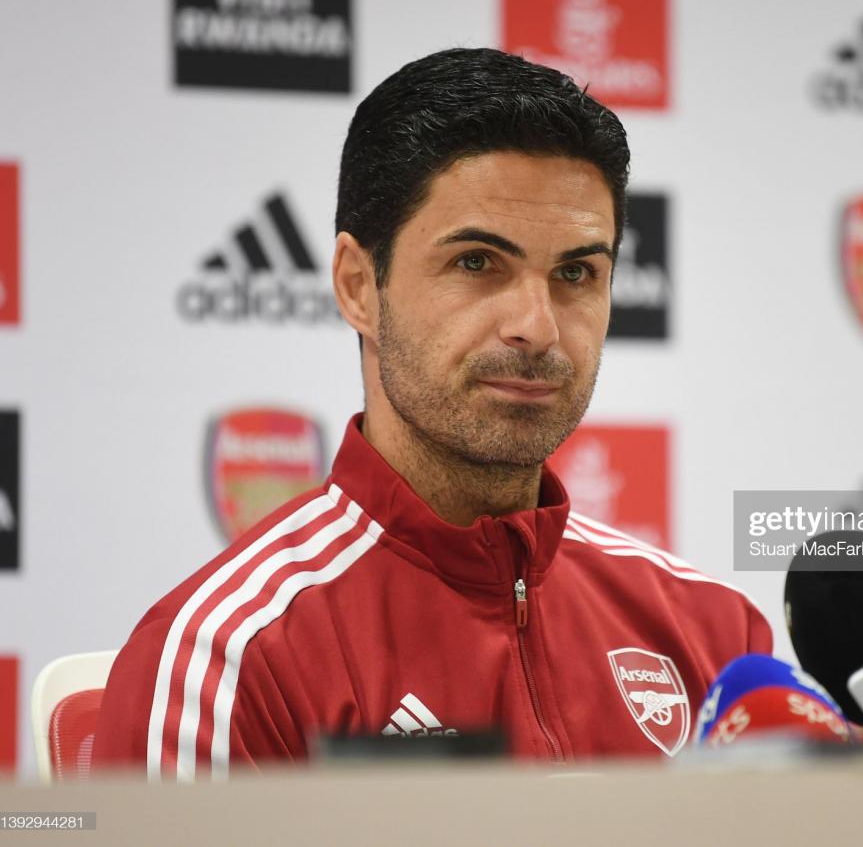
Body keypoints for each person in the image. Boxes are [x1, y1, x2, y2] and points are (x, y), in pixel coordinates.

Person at [94, 48, 772, 780]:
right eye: (478, 262)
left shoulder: (713, 633)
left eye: (576, 273)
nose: (537, 327)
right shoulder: (228, 661)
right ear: (358, 286)